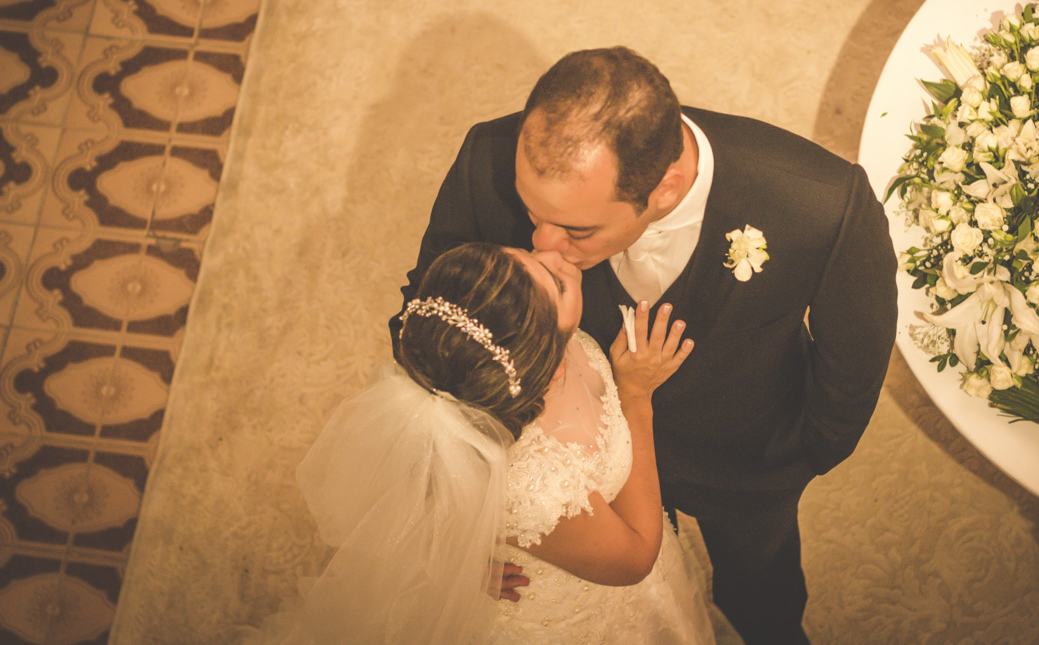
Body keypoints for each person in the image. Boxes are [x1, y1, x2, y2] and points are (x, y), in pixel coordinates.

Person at [394, 46, 899, 644]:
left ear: (666, 188)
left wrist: (800, 458)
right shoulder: (488, 155)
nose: (542, 245)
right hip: (572, 468)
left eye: (578, 229)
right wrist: (462, 517)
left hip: (742, 466)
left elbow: (855, 361)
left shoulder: (822, 204)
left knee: (764, 602)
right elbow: (428, 314)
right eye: (530, 212)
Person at [260, 242, 716, 644]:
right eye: (556, 283)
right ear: (552, 370)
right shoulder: (539, 488)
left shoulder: (463, 356)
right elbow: (634, 559)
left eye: (518, 256)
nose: (551, 250)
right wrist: (636, 397)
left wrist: (461, 548)